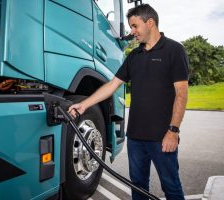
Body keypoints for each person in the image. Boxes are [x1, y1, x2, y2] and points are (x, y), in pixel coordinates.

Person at [68, 4, 189, 200]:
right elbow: (112, 85)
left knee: (171, 187)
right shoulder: (134, 56)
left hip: (163, 137)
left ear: (150, 23)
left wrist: (173, 131)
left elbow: (182, 94)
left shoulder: (174, 50)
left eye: (135, 26)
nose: (131, 32)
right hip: (135, 138)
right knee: (138, 187)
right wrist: (84, 104)